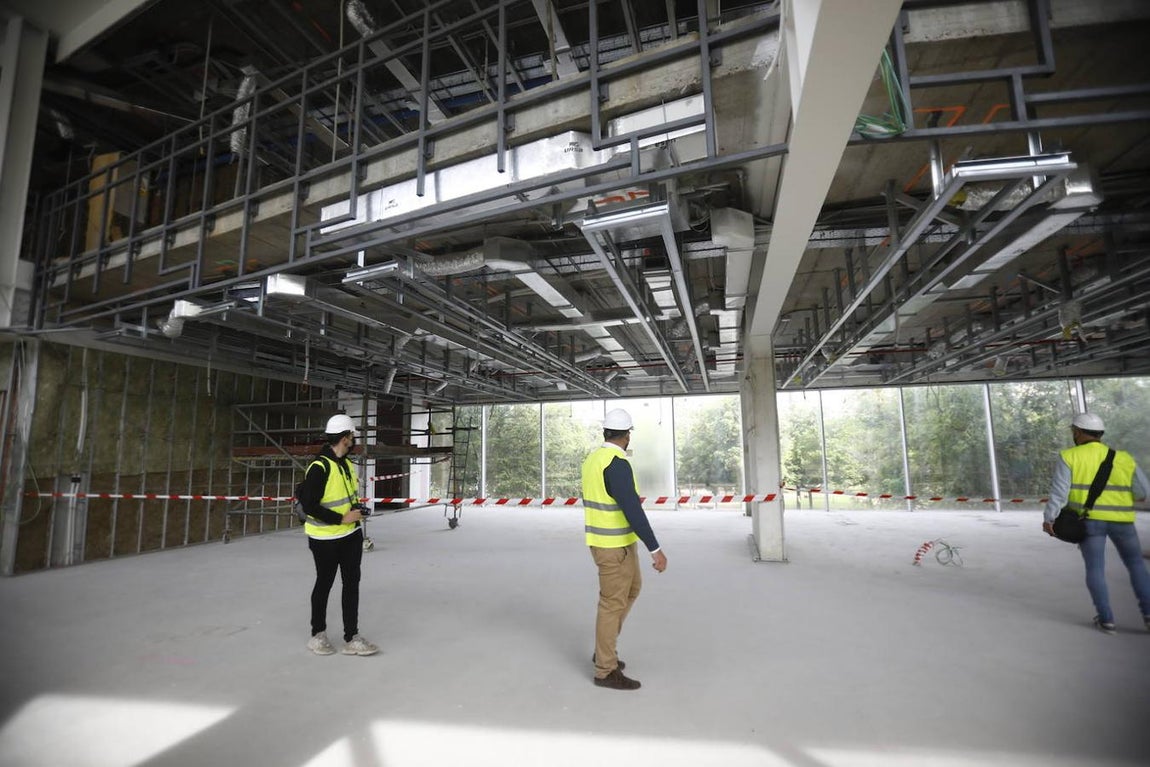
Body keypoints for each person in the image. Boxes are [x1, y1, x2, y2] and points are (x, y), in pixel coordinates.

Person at [581, 407, 667, 690]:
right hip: (612, 547)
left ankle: (604, 649)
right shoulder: (616, 463)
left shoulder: (593, 459)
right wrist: (655, 548)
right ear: (627, 435)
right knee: (611, 603)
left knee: (632, 590)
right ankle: (605, 669)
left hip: (612, 542)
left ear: (606, 432)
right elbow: (632, 509)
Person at [1042, 412, 1150, 635]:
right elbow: (1144, 493)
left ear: (1078, 432)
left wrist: (1049, 519)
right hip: (1123, 522)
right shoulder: (1123, 458)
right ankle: (1148, 616)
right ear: (1100, 434)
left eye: (1074, 431)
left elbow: (1060, 493)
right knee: (1137, 566)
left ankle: (1106, 620)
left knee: (1095, 569)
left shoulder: (1070, 456)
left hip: (1090, 522)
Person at [299, 413, 379, 656]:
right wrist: (342, 518)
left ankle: (352, 636)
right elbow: (310, 505)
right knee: (324, 583)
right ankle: (318, 634)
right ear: (345, 438)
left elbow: (344, 498)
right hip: (325, 539)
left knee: (351, 584)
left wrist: (356, 513)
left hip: (350, 535)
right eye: (352, 435)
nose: (353, 439)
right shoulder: (319, 467)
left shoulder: (345, 464)